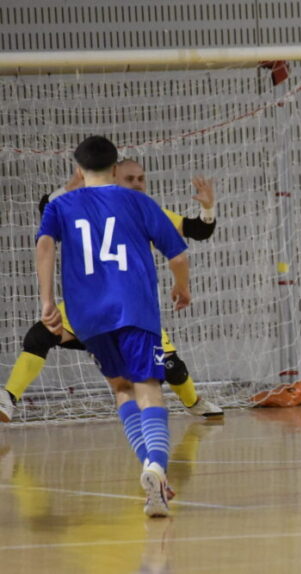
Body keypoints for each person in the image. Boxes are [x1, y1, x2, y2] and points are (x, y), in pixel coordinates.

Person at [0, 158, 222, 422]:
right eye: (130, 179)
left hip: (131, 307)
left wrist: (208, 207)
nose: (138, 184)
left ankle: (193, 402)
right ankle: (8, 398)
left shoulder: (147, 210)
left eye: (141, 178)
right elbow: (47, 207)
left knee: (172, 368)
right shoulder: (81, 206)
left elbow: (198, 230)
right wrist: (73, 183)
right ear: (113, 178)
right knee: (39, 336)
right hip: (87, 304)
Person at [36, 135, 189, 517]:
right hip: (134, 308)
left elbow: (44, 247)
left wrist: (46, 301)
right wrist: (181, 287)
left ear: (77, 167)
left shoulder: (60, 205)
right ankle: (156, 466)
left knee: (121, 389)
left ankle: (155, 478)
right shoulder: (137, 201)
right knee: (148, 387)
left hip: (89, 316)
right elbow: (179, 253)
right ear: (116, 166)